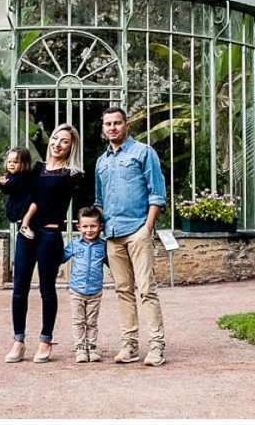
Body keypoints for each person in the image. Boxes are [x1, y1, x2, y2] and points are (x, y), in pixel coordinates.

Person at [5, 124, 84, 364]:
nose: (57, 144)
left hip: (50, 235)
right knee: (19, 289)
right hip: (26, 235)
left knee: (47, 290)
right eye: (54, 138)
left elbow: (82, 207)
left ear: (72, 147)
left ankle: (45, 340)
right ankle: (18, 340)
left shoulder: (73, 175)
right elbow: (16, 188)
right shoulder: (35, 170)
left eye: (64, 141)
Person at [94, 106, 167, 367]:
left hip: (137, 230)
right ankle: (130, 345)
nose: (112, 127)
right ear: (103, 129)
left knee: (147, 289)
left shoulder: (143, 153)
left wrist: (147, 228)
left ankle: (157, 346)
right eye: (107, 124)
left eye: (117, 123)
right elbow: (99, 200)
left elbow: (157, 193)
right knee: (123, 291)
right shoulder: (102, 161)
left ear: (127, 125)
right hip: (112, 235)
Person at [61, 206, 108, 364]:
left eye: (93, 226)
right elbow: (61, 257)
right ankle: (80, 348)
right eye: (85, 226)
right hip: (77, 290)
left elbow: (114, 263)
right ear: (78, 227)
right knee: (78, 320)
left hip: (95, 290)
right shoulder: (74, 244)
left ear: (100, 226)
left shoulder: (103, 246)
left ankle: (92, 347)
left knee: (92, 321)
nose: (89, 230)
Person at [0, 147, 36, 238]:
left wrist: (5, 185)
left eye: (15, 162)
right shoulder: (11, 176)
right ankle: (24, 226)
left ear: (24, 164)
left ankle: (26, 226)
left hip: (24, 205)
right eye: (9, 162)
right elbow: (7, 190)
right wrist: (3, 184)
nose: (11, 164)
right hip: (16, 206)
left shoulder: (25, 177)